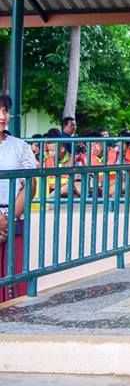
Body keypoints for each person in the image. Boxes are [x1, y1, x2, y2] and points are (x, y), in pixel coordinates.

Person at [0, 95, 38, 302]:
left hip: (13, 217)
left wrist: (7, 219)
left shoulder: (20, 146)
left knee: (14, 278)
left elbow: (30, 185)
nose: (2, 116)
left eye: (5, 111)